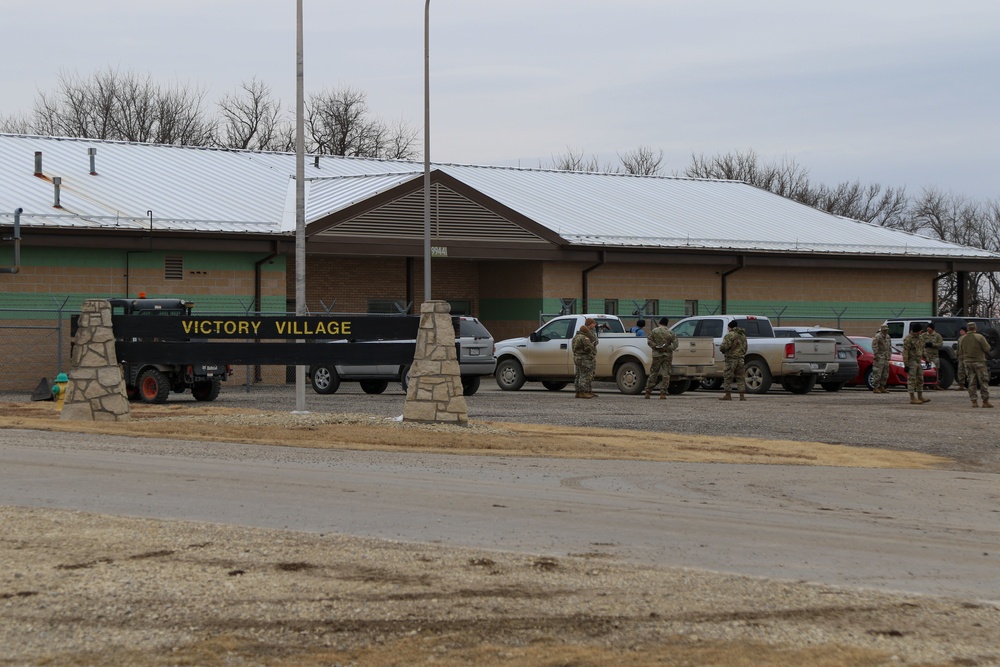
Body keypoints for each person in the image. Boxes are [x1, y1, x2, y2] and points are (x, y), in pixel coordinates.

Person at [957, 321, 992, 408]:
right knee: (983, 381)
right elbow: (987, 348)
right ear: (975, 328)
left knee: (971, 382)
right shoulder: (980, 337)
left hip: (967, 362)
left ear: (968, 328)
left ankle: (974, 401)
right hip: (979, 361)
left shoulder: (962, 338)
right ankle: (985, 401)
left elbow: (960, 351)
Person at [643, 317, 678, 399]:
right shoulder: (671, 332)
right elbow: (675, 344)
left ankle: (648, 392)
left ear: (660, 323)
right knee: (666, 374)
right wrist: (668, 348)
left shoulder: (655, 331)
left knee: (654, 373)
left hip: (657, 355)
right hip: (667, 356)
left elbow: (649, 341)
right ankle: (663, 393)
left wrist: (655, 347)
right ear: (667, 324)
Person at [719, 320, 748, 401]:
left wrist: (722, 349)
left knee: (728, 377)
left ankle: (728, 395)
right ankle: (742, 396)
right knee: (740, 377)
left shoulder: (729, 335)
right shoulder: (742, 335)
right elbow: (745, 347)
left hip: (731, 359)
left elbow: (724, 347)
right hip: (740, 359)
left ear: (730, 327)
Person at [901, 322, 930, 405]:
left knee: (920, 379)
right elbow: (905, 352)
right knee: (912, 380)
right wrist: (906, 364)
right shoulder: (908, 339)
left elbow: (922, 349)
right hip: (911, 361)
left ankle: (920, 396)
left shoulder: (920, 338)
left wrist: (927, 359)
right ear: (916, 331)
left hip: (918, 361)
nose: (921, 332)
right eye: (920, 331)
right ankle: (912, 397)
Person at [572, 317, 599, 399]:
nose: (594, 325)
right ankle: (583, 392)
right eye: (593, 324)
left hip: (577, 357)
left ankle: (579, 392)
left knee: (579, 375)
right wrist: (592, 347)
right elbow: (589, 348)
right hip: (584, 358)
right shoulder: (584, 338)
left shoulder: (576, 336)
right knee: (585, 375)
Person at [870, 324, 892, 393]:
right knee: (877, 372)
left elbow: (889, 347)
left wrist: (889, 355)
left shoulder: (888, 337)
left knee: (885, 373)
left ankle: (882, 386)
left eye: (887, 330)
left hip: (886, 357)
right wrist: (876, 356)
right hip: (879, 357)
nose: (886, 331)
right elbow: (874, 346)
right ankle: (875, 387)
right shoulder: (878, 337)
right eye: (884, 330)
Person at [923, 323, 944, 389]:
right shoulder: (924, 335)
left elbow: (940, 344)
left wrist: (933, 344)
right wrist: (925, 344)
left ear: (932, 328)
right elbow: (920, 342)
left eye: (929, 327)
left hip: (934, 355)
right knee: (925, 369)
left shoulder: (937, 336)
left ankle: (936, 384)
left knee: (936, 370)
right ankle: (924, 384)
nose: (928, 329)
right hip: (926, 355)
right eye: (927, 327)